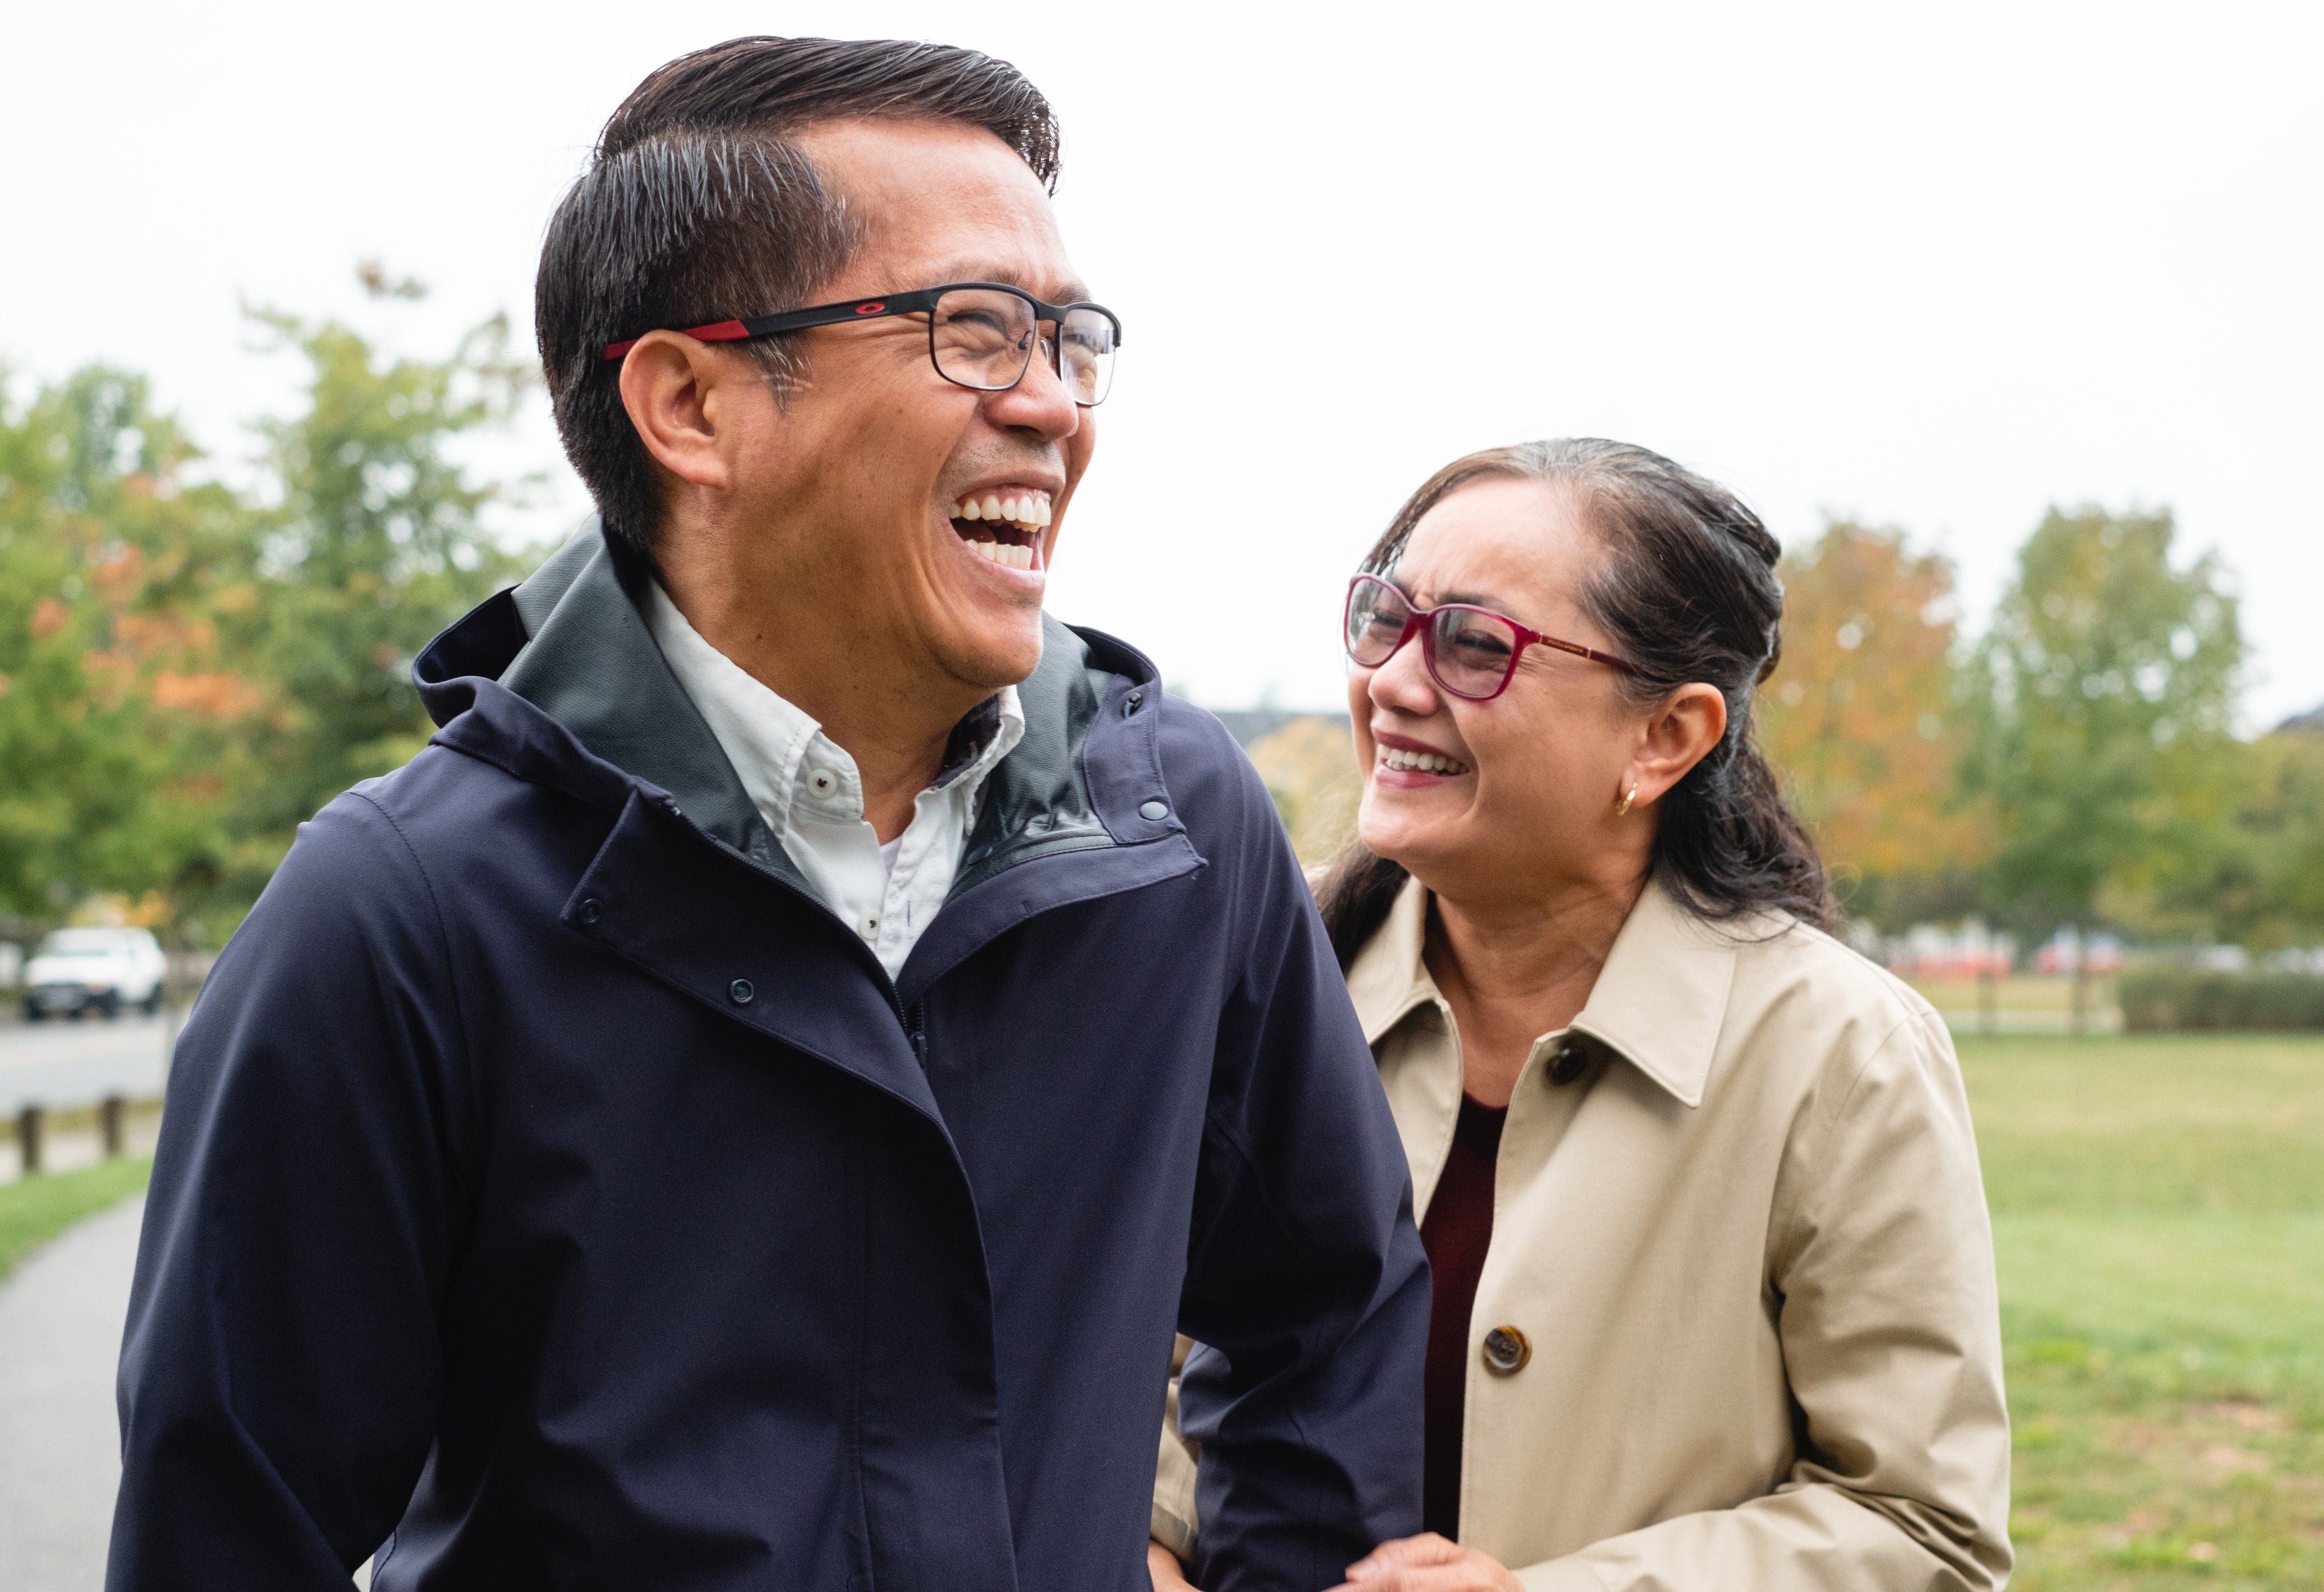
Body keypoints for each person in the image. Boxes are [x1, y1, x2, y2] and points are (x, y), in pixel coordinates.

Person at [110, 37, 1428, 1591]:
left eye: (1070, 339)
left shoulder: (1175, 825)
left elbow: (1327, 1309)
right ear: (689, 402)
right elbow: (227, 1536)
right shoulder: (399, 917)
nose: (1055, 405)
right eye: (975, 330)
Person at [1150, 439, 2011, 1591]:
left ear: (1665, 738)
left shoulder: (1843, 1054)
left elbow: (1923, 1527)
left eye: (1474, 645)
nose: (1395, 682)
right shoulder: (1255, 983)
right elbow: (1108, 1405)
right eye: (1385, 619)